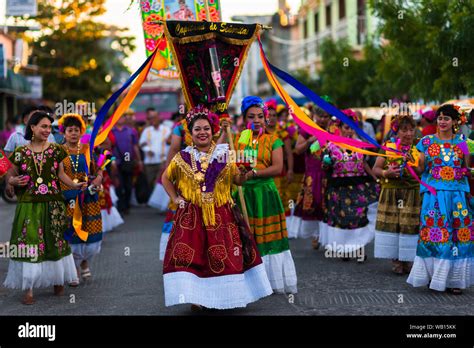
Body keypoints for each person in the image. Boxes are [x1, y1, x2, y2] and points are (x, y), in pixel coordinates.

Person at [161, 105, 272, 310]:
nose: (202, 132)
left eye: (206, 129)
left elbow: (237, 181)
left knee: (225, 258)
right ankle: (196, 298)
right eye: (197, 129)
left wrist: (244, 172)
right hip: (191, 217)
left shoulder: (225, 155)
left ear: (213, 131)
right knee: (191, 258)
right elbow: (166, 178)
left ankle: (226, 296)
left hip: (222, 216)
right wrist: (176, 199)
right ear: (190, 133)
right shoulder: (182, 158)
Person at [3, 111, 84, 304]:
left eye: (49, 127)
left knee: (54, 241)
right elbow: (10, 173)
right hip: (29, 206)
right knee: (30, 243)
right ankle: (29, 288)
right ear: (32, 128)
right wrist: (12, 181)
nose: (48, 130)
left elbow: (61, 174)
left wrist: (73, 184)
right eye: (44, 126)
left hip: (54, 204)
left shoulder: (56, 150)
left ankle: (57, 279)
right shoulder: (21, 152)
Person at [407, 104, 474, 294]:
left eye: (446, 118)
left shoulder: (462, 141)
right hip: (434, 194)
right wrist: (409, 163)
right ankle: (434, 277)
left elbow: (465, 168)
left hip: (457, 195)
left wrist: (468, 174)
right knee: (435, 233)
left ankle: (454, 281)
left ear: (455, 122)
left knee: (458, 235)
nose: (442, 121)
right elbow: (420, 169)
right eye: (440, 118)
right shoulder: (426, 142)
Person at [234, 96, 298, 294]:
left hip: (265, 194)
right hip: (244, 194)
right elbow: (231, 163)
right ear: (244, 119)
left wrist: (254, 173)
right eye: (251, 116)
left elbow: (278, 167)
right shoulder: (238, 139)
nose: (256, 120)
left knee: (267, 238)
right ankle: (250, 283)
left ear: (266, 118)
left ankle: (272, 281)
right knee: (246, 236)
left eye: (260, 116)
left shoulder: (274, 140)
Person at [319, 109, 378, 262]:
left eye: (352, 127)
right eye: (346, 127)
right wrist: (326, 163)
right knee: (343, 219)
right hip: (339, 188)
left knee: (359, 218)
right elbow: (324, 167)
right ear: (340, 127)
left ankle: (359, 249)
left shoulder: (360, 144)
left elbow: (364, 163)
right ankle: (345, 249)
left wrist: (375, 177)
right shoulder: (331, 145)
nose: (349, 130)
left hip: (358, 186)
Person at [58, 113, 103, 286]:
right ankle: (74, 269)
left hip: (88, 198)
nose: (74, 134)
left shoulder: (87, 149)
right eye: (70, 130)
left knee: (90, 235)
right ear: (64, 132)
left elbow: (98, 170)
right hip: (67, 199)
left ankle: (85, 261)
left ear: (81, 131)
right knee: (71, 234)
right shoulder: (58, 151)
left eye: (77, 130)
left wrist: (97, 180)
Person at [372, 114, 421, 274]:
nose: (409, 134)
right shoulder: (388, 146)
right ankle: (396, 260)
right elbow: (376, 169)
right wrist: (387, 173)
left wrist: (412, 167)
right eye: (404, 130)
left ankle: (408, 259)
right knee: (393, 225)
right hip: (392, 193)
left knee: (409, 226)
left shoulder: (419, 148)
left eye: (411, 129)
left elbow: (422, 171)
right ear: (396, 131)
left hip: (412, 194)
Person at [288, 106, 330, 243]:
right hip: (313, 174)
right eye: (321, 116)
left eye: (326, 116)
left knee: (329, 205)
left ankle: (328, 237)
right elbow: (298, 150)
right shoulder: (307, 129)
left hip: (330, 174)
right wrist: (310, 140)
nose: (323, 119)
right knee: (315, 204)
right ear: (314, 115)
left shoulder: (334, 130)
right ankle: (315, 234)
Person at [109, 116, 143, 215]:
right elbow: (109, 148)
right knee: (118, 185)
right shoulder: (111, 131)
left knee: (128, 185)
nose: (120, 119)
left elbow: (135, 146)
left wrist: (139, 160)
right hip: (116, 161)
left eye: (122, 117)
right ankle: (121, 206)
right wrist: (112, 161)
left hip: (128, 162)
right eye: (118, 117)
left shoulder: (131, 131)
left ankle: (127, 205)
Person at [139, 111, 171, 190]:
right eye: (150, 118)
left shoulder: (166, 130)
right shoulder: (147, 131)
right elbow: (141, 143)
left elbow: (171, 143)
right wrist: (148, 150)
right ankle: (152, 201)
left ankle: (158, 201)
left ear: (159, 118)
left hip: (163, 162)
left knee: (161, 184)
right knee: (150, 183)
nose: (152, 120)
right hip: (150, 162)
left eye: (154, 118)